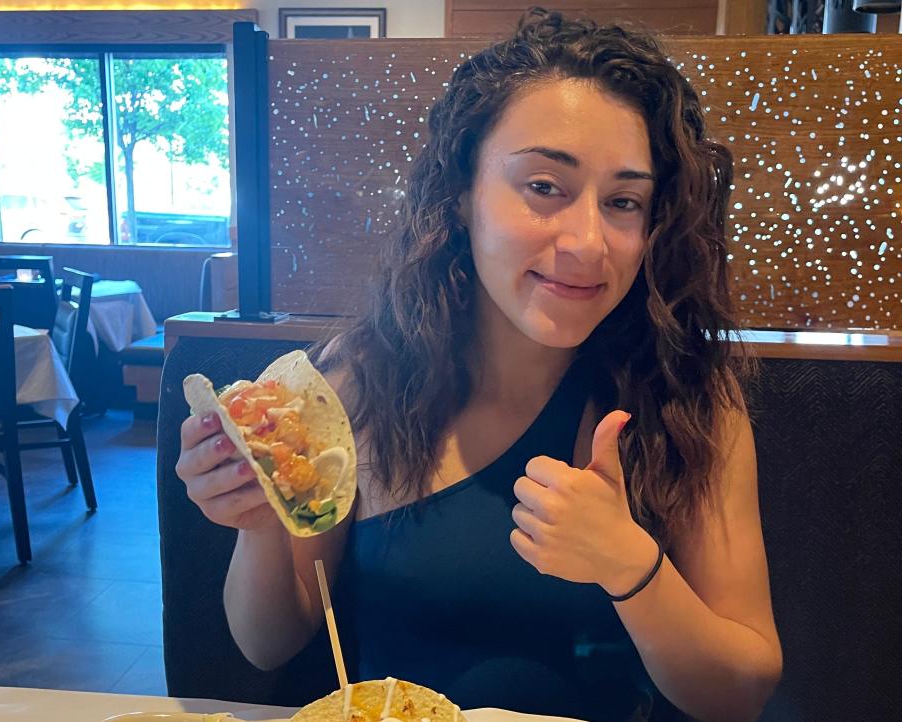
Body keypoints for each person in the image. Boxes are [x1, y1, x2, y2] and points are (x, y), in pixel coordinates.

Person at [175, 8, 783, 722]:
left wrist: (631, 568)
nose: (589, 241)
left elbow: (740, 691)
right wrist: (258, 515)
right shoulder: (360, 380)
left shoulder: (688, 397)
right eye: (544, 187)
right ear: (462, 195)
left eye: (623, 202)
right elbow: (269, 643)